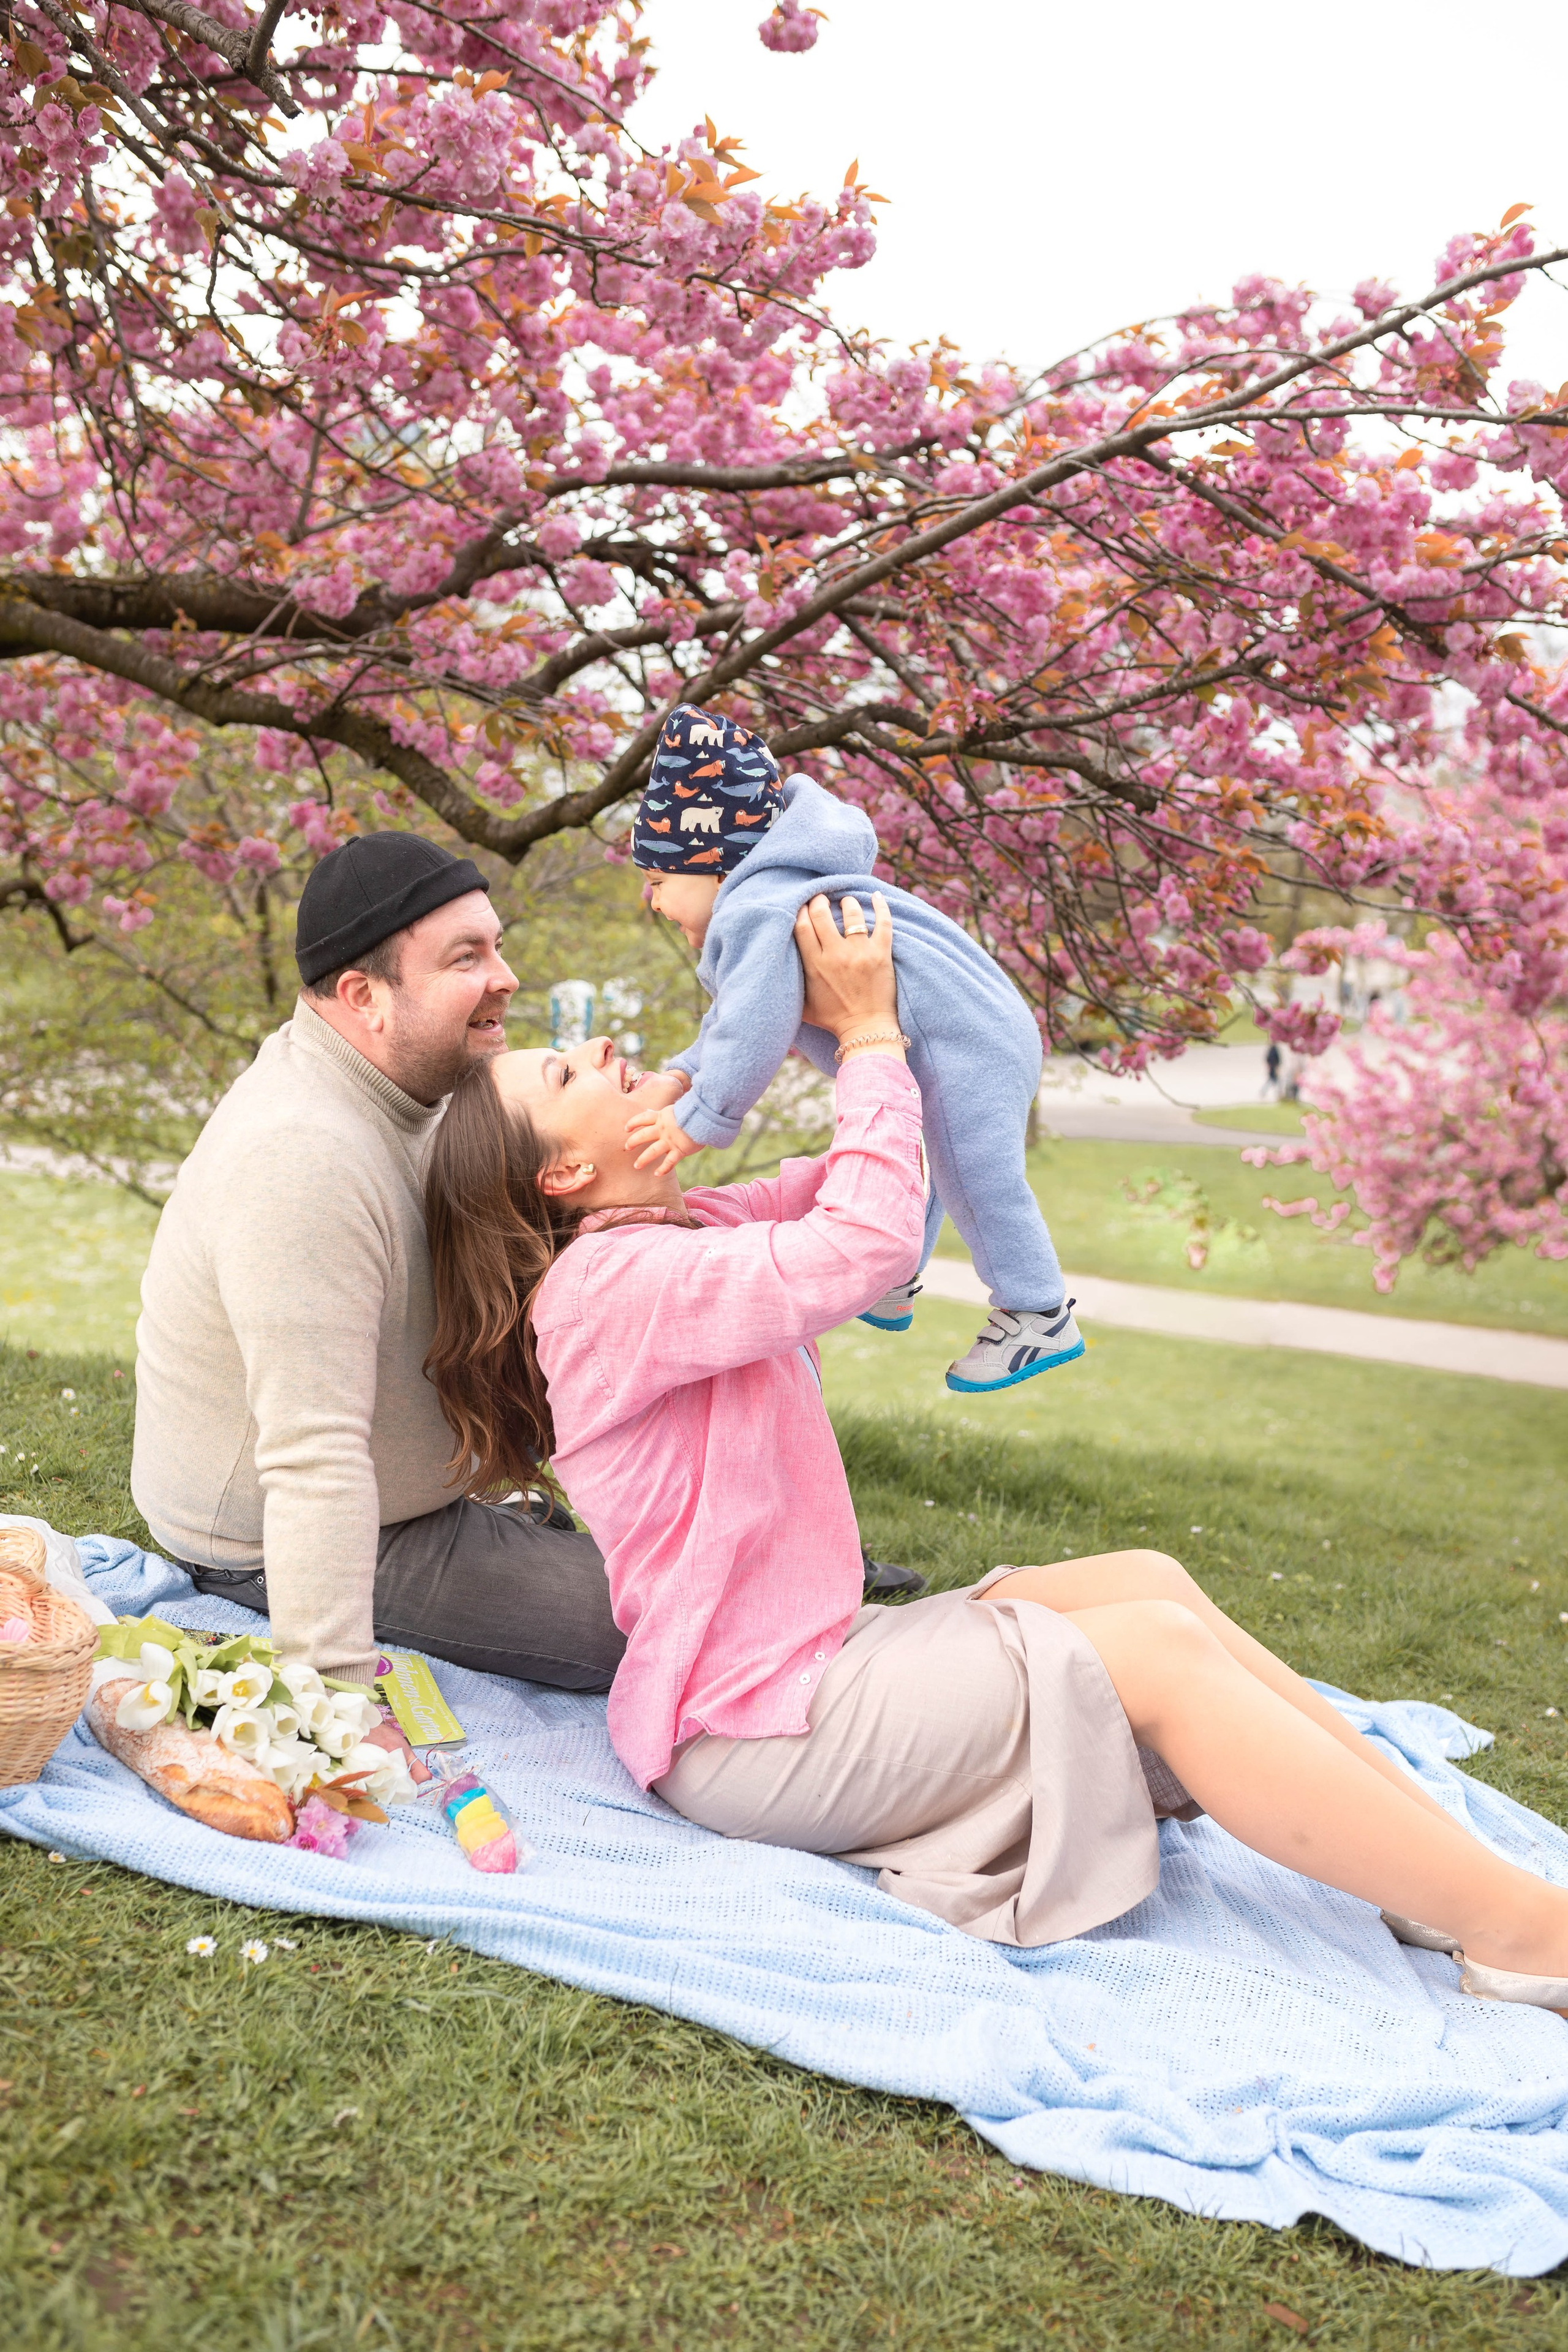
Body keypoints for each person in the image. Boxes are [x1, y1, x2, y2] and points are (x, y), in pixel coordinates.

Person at [421, 888, 1568, 2005]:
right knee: (1153, 1656)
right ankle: (1524, 1935)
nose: (607, 1047)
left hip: (815, 1663)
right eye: (566, 1075)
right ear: (564, 1174)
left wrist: (851, 1026)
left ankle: (1433, 1873)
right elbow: (866, 1242)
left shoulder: (682, 1230)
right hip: (753, 1729)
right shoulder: (609, 1290)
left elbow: (881, 1177)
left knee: (1144, 1583)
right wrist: (866, 1032)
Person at [131, 831, 624, 1693]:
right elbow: (311, 1456)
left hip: (420, 1501)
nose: (505, 977)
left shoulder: (415, 1084)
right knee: (653, 1621)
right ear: (365, 997)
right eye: (466, 957)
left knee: (708, 1576)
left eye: (497, 945)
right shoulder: (302, 1156)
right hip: (274, 1545)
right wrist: (334, 1700)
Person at [624, 702, 1080, 1396]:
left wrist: (702, 1117)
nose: (650, 901)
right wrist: (684, 1075)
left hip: (966, 1042)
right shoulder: (774, 895)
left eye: (659, 882)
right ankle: (892, 1281)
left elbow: (752, 1030)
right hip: (979, 1026)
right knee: (916, 1156)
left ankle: (1036, 1308)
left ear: (712, 866)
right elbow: (735, 1018)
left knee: (975, 1175)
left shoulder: (755, 907)